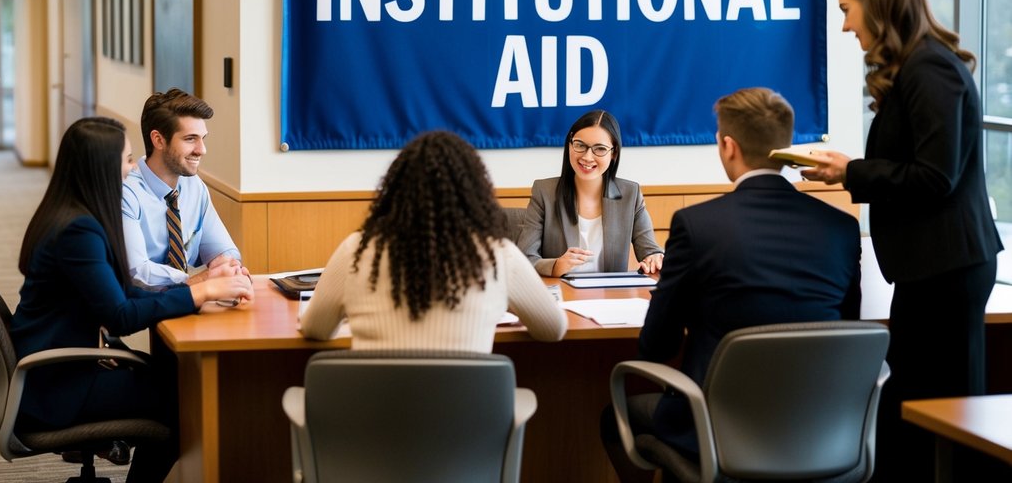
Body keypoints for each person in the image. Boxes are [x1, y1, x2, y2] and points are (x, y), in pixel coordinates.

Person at [800, 0, 1003, 482]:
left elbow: (935, 177)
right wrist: (850, 172)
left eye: (848, 9)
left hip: (947, 269)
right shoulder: (919, 67)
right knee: (917, 404)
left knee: (943, 409)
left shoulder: (932, 69)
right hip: (933, 268)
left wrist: (852, 172)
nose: (844, 25)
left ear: (880, 4)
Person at [602, 87, 862, 482]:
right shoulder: (842, 228)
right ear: (785, 146)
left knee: (613, 418)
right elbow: (847, 328)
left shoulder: (699, 226)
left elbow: (657, 346)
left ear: (728, 146)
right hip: (819, 429)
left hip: (716, 434)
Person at [10, 117, 252, 483]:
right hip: (56, 387)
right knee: (188, 404)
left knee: (176, 381)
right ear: (102, 167)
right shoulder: (78, 229)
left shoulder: (69, 213)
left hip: (57, 370)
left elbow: (119, 292)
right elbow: (121, 316)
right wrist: (199, 291)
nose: (132, 168)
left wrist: (195, 292)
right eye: (126, 160)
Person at [301, 130, 567, 350]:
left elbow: (315, 329)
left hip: (373, 413)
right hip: (469, 415)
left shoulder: (356, 250)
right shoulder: (499, 256)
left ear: (396, 190)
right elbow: (553, 329)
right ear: (474, 194)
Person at [122, 89, 249, 292]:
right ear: (158, 140)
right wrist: (198, 280)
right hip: (139, 315)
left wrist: (227, 266)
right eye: (191, 139)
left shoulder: (194, 186)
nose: (202, 150)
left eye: (202, 138)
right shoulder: (127, 193)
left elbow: (223, 250)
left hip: (187, 308)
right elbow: (136, 271)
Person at [517, 110, 664, 277]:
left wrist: (654, 258)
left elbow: (651, 251)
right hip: (562, 295)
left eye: (600, 149)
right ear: (570, 144)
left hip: (612, 298)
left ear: (613, 153)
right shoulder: (544, 192)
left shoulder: (631, 194)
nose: (587, 157)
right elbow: (525, 258)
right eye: (580, 145)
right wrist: (556, 265)